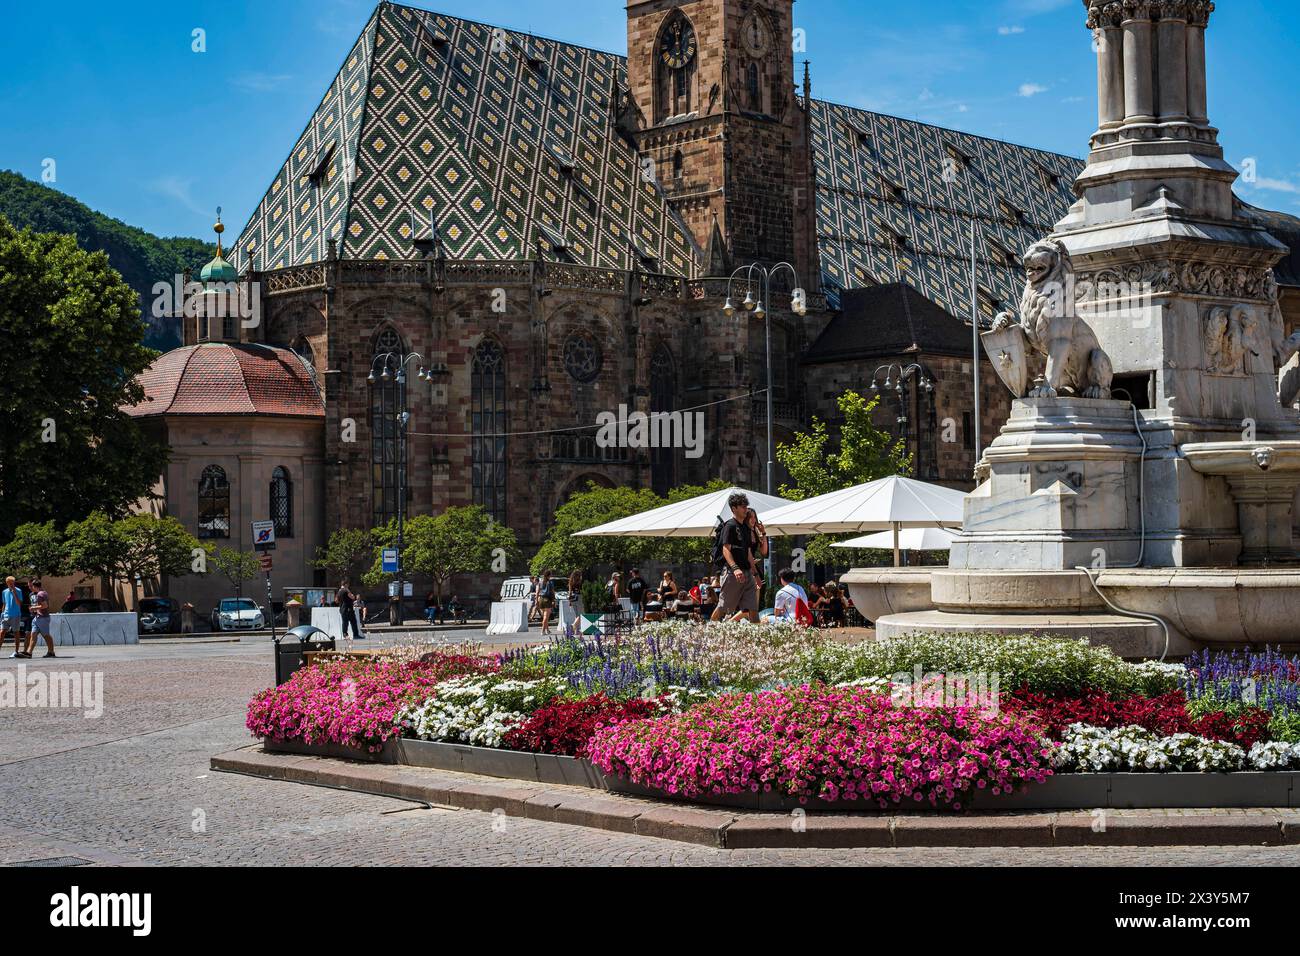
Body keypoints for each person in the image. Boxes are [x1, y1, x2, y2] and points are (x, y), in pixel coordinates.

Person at [711, 492, 759, 622]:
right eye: (743, 506)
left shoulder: (746, 528)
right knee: (723, 607)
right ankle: (710, 629)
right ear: (734, 509)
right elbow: (726, 549)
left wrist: (755, 574)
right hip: (733, 573)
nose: (746, 509)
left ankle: (759, 638)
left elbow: (748, 552)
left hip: (747, 573)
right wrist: (735, 568)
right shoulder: (730, 526)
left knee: (753, 608)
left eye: (746, 506)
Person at [24, 578, 55, 659]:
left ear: (34, 586)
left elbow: (45, 606)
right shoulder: (43, 593)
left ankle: (51, 651)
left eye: (32, 586)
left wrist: (33, 608)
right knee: (33, 635)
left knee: (46, 636)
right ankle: (29, 653)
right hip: (37, 618)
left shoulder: (40, 594)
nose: (31, 588)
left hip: (43, 617)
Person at [3, 576, 25, 659]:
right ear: (7, 583)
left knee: (16, 633)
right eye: (10, 583)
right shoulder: (4, 592)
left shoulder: (18, 591)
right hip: (6, 615)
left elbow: (19, 603)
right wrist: (2, 613)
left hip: (15, 615)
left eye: (13, 583)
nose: (11, 585)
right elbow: (4, 604)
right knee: (2, 632)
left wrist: (14, 591)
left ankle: (16, 651)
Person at [537, 569, 557, 635]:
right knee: (546, 617)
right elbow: (553, 592)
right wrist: (554, 600)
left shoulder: (540, 581)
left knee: (545, 616)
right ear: (549, 575)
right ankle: (542, 630)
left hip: (541, 599)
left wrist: (537, 599)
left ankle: (547, 630)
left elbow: (537, 591)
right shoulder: (550, 582)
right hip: (547, 599)